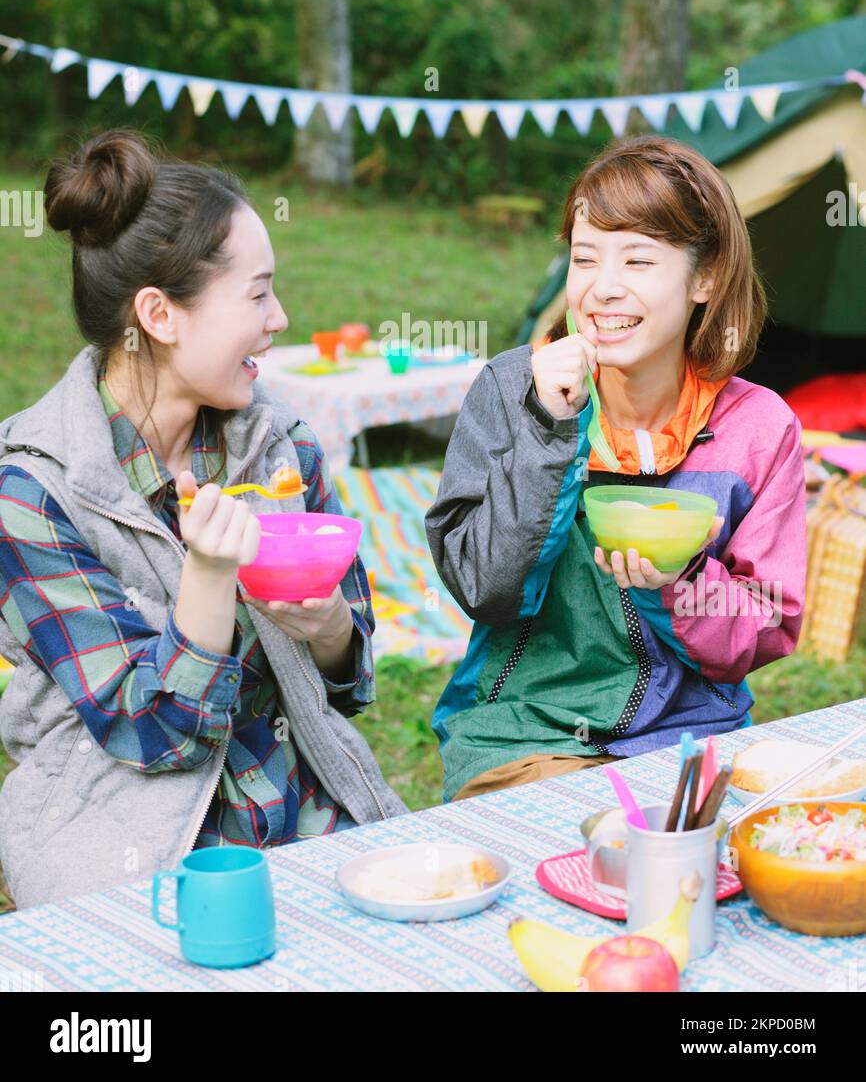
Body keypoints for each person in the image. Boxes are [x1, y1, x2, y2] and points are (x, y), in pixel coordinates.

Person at [0, 129, 406, 910]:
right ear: (160, 314)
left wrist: (327, 627)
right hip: (125, 838)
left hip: (299, 803)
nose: (280, 317)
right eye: (257, 294)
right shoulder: (32, 491)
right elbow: (154, 735)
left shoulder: (279, 445)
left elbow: (350, 679)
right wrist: (209, 581)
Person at [426, 134, 806, 803]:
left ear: (705, 277)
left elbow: (768, 623)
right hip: (523, 730)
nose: (603, 288)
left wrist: (681, 581)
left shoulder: (758, 427)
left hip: (689, 733)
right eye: (584, 258)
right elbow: (483, 587)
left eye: (637, 259)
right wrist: (550, 427)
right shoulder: (514, 389)